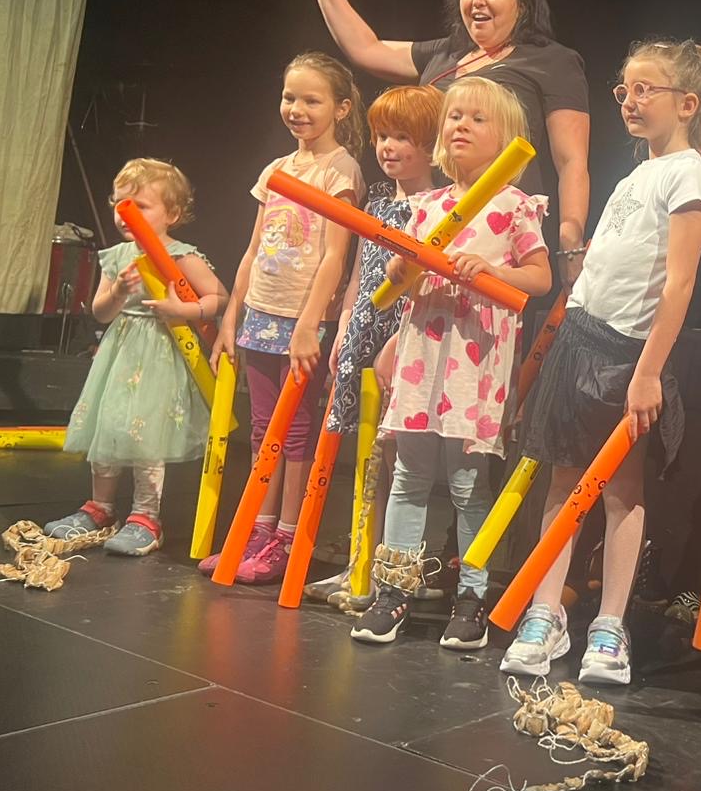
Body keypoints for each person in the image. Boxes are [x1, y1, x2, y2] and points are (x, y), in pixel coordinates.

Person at [499, 39, 701, 686]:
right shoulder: (635, 175)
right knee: (562, 482)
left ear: (686, 104)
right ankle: (546, 612)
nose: (630, 100)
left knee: (623, 493)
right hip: (581, 340)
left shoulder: (688, 174)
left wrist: (648, 371)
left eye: (646, 89)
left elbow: (679, 283)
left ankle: (609, 624)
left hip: (627, 354)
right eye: (625, 89)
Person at [350, 76, 550, 650]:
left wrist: (491, 273)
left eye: (477, 119)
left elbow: (540, 278)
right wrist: (401, 273)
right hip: (423, 357)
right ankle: (394, 590)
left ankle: (472, 595)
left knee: (467, 484)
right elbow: (406, 286)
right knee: (409, 477)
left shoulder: (513, 206)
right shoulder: (428, 207)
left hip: (474, 361)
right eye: (455, 116)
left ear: (507, 140)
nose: (461, 125)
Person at [295, 0, 589, 284]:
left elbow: (571, 161)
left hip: (497, 231)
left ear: (522, 3)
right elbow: (365, 48)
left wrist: (570, 242)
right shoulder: (444, 54)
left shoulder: (553, 61)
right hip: (427, 224)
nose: (477, 0)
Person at [201, 52, 367, 585]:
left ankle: (288, 535)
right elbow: (254, 249)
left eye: (311, 100)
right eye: (289, 97)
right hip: (261, 312)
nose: (297, 109)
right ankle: (257, 526)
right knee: (261, 429)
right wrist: (232, 318)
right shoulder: (275, 169)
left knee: (294, 431)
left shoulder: (340, 170)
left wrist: (310, 323)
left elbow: (336, 255)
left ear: (341, 108)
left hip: (302, 318)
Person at [303, 85, 444, 610]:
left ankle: (389, 569)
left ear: (431, 146)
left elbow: (421, 287)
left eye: (402, 137)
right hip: (363, 329)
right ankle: (358, 562)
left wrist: (397, 344)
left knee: (393, 457)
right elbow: (362, 271)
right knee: (362, 455)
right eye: (382, 136)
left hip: (403, 338)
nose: (387, 147)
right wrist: (344, 325)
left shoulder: (437, 207)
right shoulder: (379, 201)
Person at [49, 159, 226, 557]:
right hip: (121, 354)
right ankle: (99, 506)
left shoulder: (181, 256)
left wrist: (183, 309)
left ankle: (146, 516)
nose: (125, 213)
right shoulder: (116, 257)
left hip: (159, 354)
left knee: (146, 437)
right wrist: (117, 292)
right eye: (119, 204)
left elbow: (220, 298)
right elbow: (100, 312)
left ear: (172, 214)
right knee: (109, 428)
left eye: (140, 206)